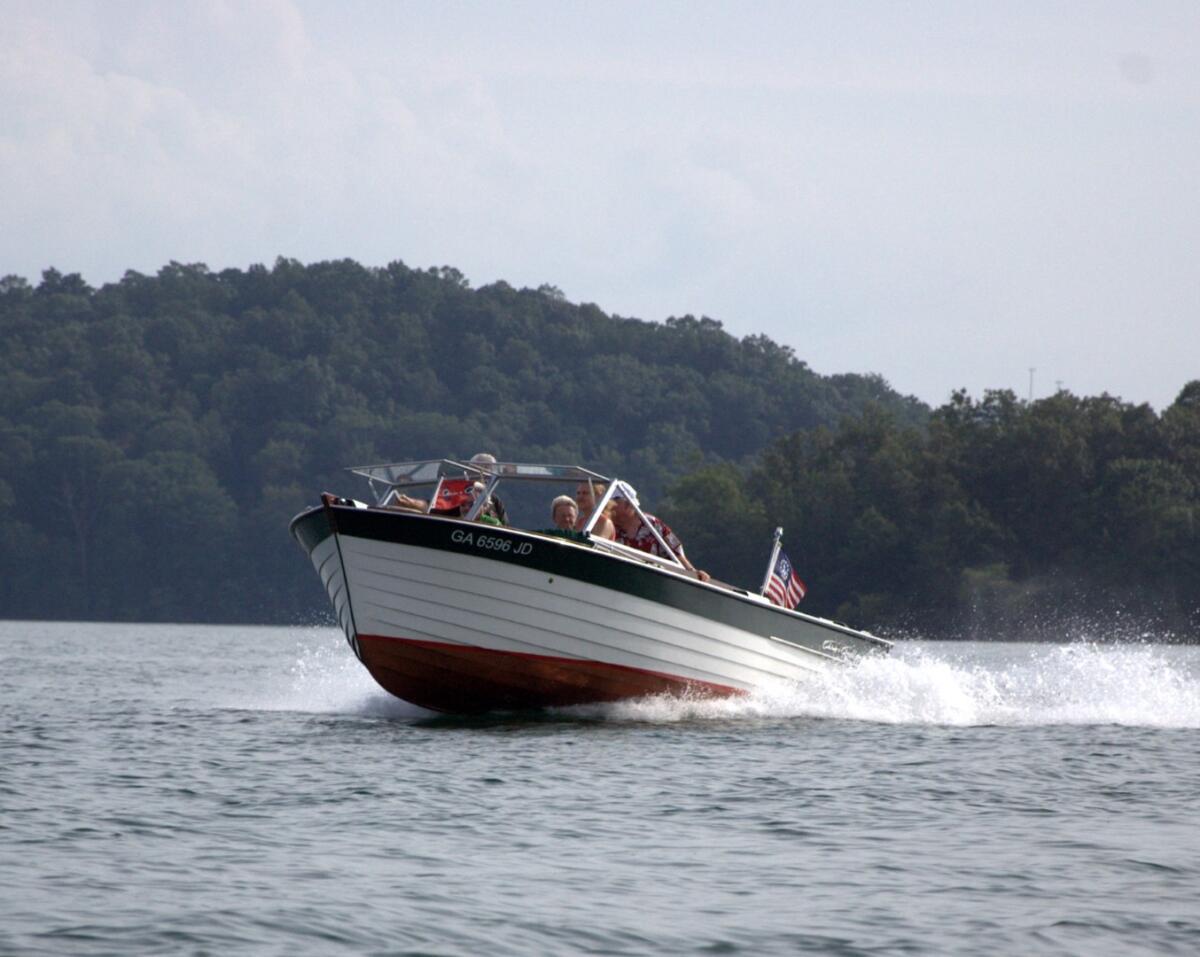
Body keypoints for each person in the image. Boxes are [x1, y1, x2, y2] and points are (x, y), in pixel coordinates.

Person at [611, 487, 710, 582]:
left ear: (628, 505)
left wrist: (692, 572)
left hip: (652, 580)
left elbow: (675, 552)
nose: (608, 504)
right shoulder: (607, 523)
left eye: (612, 500)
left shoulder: (652, 523)